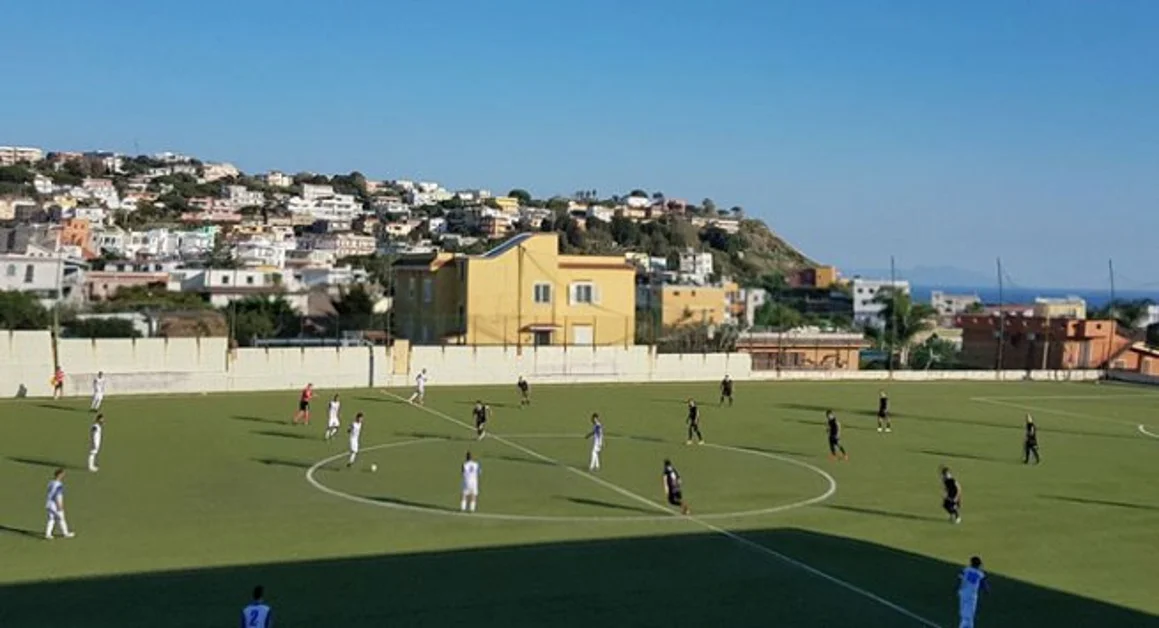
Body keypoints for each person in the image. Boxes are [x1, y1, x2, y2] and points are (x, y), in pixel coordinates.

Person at [957, 556, 988, 628]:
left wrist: (959, 588)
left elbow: (959, 578)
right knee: (968, 616)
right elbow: (985, 587)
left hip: (963, 593)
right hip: (972, 596)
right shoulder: (980, 574)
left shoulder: (965, 570)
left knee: (965, 614)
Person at [45, 468, 75, 540]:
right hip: (55, 504)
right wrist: (60, 505)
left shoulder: (50, 483)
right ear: (59, 475)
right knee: (61, 519)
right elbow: (58, 495)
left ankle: (48, 534)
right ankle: (66, 533)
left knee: (51, 519)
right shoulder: (59, 485)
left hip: (48, 503)